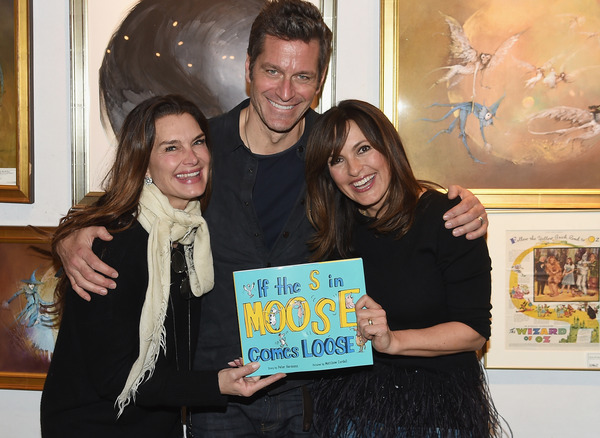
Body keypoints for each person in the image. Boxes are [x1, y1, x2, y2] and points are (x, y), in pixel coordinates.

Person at [55, 1, 489, 436]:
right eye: (273, 71)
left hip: (311, 397)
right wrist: (68, 237)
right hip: (216, 396)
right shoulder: (200, 150)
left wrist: (459, 206)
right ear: (249, 68)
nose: (286, 91)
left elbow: (391, 203)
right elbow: (127, 202)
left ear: (319, 81)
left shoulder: (334, 155)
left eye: (302, 76)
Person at [40, 95, 284, 437]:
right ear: (144, 164)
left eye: (198, 142)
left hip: (156, 421)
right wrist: (216, 385)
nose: (192, 158)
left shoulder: (188, 232)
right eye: (171, 148)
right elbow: (117, 377)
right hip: (96, 425)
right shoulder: (113, 244)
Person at [304, 100, 505, 437]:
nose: (354, 170)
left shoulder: (450, 218)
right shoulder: (331, 233)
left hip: (437, 414)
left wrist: (393, 341)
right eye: (337, 160)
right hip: (351, 414)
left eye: (363, 149)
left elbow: (473, 331)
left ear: (388, 148)